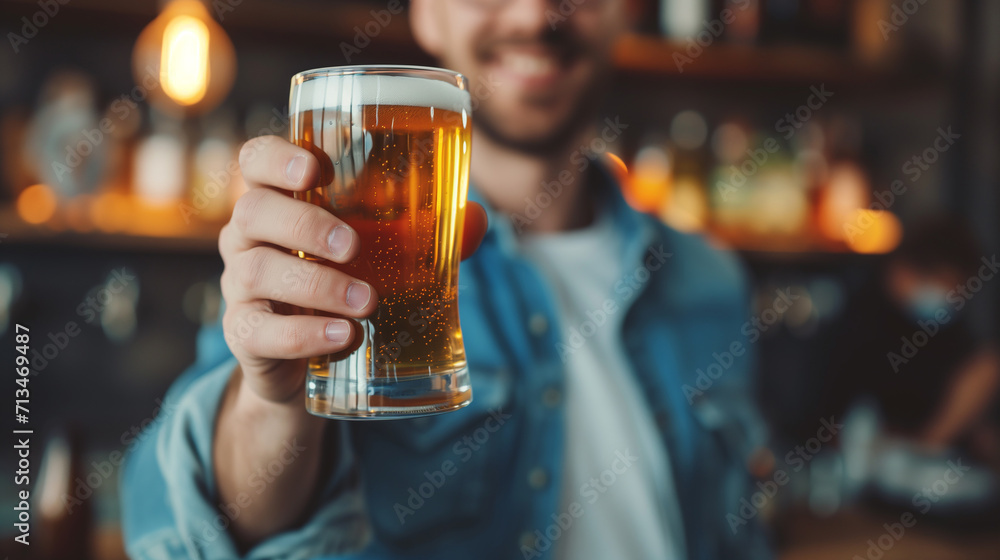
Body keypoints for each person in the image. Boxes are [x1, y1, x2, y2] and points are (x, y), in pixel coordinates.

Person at [121, 1, 770, 558]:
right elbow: (177, 528)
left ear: (625, 12)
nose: (536, 15)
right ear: (426, 14)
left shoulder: (709, 278)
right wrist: (274, 405)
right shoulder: (330, 254)